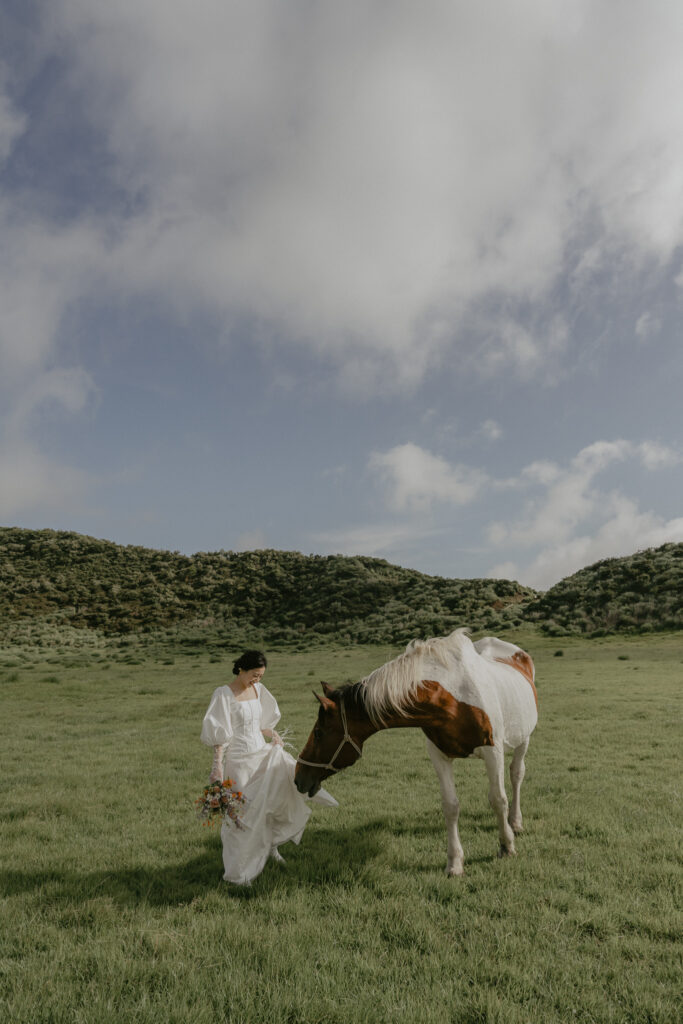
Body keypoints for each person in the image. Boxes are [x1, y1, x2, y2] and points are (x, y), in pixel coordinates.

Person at [201, 649, 337, 885]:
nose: (257, 679)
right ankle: (239, 871)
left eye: (261, 676)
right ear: (241, 669)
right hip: (240, 760)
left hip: (261, 754)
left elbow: (260, 723)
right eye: (254, 674)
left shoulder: (258, 690)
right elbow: (220, 736)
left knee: (275, 797)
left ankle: (271, 846)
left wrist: (273, 734)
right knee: (243, 813)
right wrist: (217, 767)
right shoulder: (223, 694)